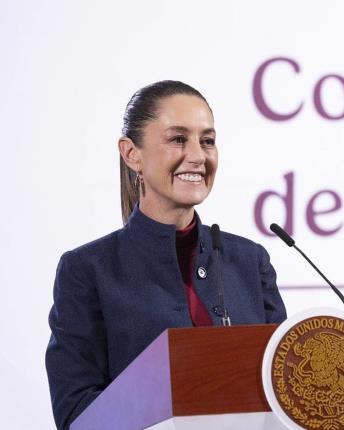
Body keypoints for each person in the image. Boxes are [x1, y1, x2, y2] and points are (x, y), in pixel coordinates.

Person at [45, 81, 287, 429]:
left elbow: (285, 389)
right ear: (132, 154)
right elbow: (76, 413)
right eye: (178, 139)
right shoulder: (87, 270)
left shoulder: (250, 261)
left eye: (207, 141)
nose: (198, 156)